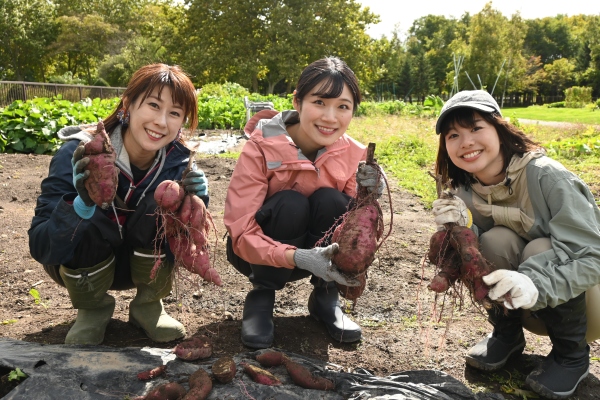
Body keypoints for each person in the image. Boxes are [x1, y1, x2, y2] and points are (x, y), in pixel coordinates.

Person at [431, 89, 600, 399]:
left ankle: (571, 355)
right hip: (522, 302)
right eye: (453, 134)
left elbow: (592, 258)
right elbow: (474, 253)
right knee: (490, 242)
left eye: (476, 128)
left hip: (589, 297)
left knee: (540, 250)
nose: (466, 142)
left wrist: (535, 282)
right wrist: (457, 230)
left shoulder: (548, 177)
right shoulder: (464, 189)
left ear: (500, 128)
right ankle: (506, 336)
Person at [28, 64, 209, 346]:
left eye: (174, 113)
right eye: (153, 105)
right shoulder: (80, 154)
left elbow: (188, 235)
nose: (162, 122)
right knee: (88, 220)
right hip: (82, 263)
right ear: (128, 103)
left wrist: (197, 202)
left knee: (162, 203)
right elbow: (41, 246)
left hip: (144, 268)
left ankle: (148, 307)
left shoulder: (179, 162)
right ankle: (93, 310)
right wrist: (78, 207)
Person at [223, 57, 385, 349]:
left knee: (334, 201)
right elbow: (241, 231)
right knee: (290, 203)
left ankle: (325, 296)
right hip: (257, 254)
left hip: (323, 258)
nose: (330, 117)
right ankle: (262, 296)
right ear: (297, 102)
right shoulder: (261, 146)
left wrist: (369, 200)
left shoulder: (353, 154)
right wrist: (298, 257)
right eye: (320, 102)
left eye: (343, 107)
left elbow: (353, 229)